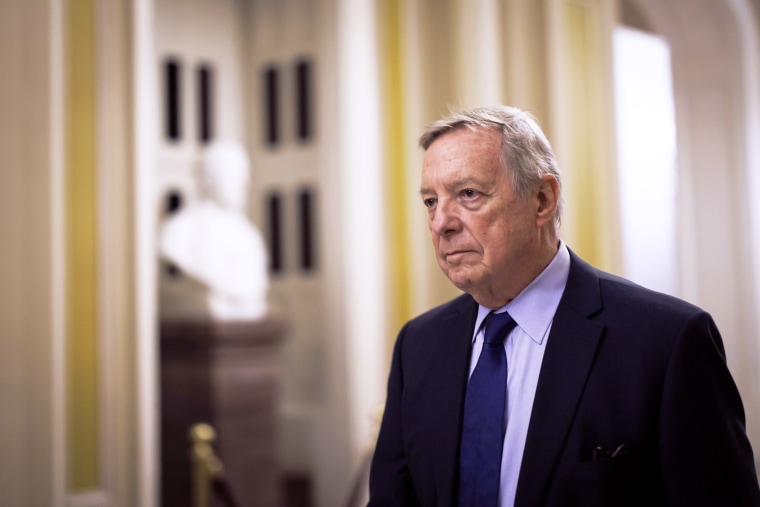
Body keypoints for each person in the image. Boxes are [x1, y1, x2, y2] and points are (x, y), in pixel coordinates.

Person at [367, 105, 760, 506]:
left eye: (468, 194)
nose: (440, 223)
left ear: (542, 199)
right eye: (431, 201)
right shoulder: (418, 346)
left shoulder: (666, 342)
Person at [159, 139, 269, 321]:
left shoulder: (249, 235)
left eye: (244, 175)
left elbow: (255, 286)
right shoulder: (179, 230)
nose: (244, 182)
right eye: (235, 176)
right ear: (210, 179)